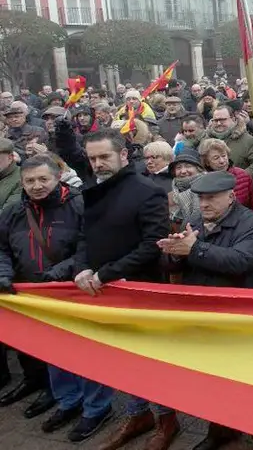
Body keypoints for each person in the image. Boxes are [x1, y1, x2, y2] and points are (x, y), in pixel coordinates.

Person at [155, 170, 253, 450]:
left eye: (211, 199)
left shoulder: (251, 223)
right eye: (201, 199)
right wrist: (173, 254)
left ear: (231, 196)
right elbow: (178, 265)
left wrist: (193, 249)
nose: (204, 204)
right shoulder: (195, 220)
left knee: (249, 384)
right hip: (205, 314)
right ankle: (220, 431)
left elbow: (241, 261)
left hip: (239, 316)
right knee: (214, 380)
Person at [76, 130, 169, 445]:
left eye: (104, 157)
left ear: (124, 155)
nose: (98, 164)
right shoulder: (93, 189)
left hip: (142, 292)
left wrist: (106, 274)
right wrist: (83, 268)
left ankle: (167, 420)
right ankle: (138, 413)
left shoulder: (148, 191)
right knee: (122, 358)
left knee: (152, 360)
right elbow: (84, 237)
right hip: (103, 292)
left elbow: (152, 246)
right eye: (92, 159)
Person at [0, 155, 99, 431]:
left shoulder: (79, 204)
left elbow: (91, 245)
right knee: (53, 353)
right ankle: (67, 401)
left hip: (73, 291)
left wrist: (62, 271)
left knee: (86, 353)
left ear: (58, 177)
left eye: (43, 179)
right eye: (30, 180)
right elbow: (1, 247)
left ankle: (95, 408)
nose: (37, 185)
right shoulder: (13, 211)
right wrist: (3, 274)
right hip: (33, 295)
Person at [207, 105, 253, 188]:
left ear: (233, 119)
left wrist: (240, 178)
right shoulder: (206, 141)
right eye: (215, 120)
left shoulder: (248, 141)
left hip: (240, 190)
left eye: (222, 120)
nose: (219, 123)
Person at [198, 138, 253, 214]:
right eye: (216, 158)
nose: (222, 161)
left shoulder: (243, 175)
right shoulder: (202, 182)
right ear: (207, 162)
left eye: (224, 156)